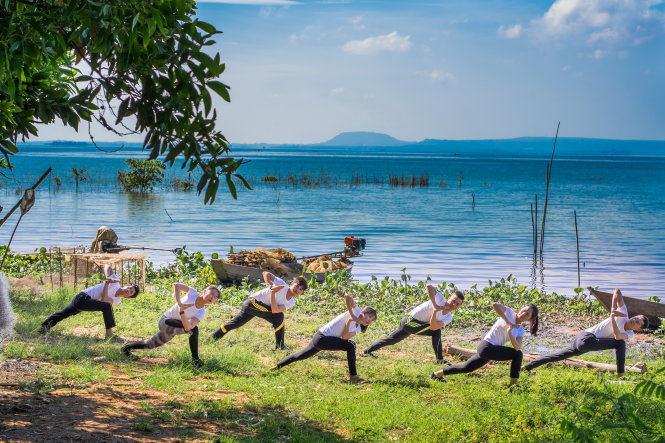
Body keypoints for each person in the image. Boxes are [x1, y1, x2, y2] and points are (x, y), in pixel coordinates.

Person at [523, 288, 648, 377]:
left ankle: (525, 367)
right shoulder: (624, 313)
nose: (634, 320)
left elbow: (617, 336)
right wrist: (613, 308)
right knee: (620, 345)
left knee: (555, 356)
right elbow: (617, 291)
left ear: (639, 330)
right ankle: (621, 376)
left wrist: (613, 318)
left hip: (587, 344)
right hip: (585, 338)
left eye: (637, 322)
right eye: (635, 317)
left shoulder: (630, 334)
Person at [271, 293, 377, 382]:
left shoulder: (359, 328)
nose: (369, 321)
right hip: (321, 337)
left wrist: (349, 321)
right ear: (364, 313)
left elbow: (345, 337)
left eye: (372, 321)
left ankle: (277, 366)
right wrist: (352, 315)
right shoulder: (356, 311)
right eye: (370, 317)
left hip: (323, 339)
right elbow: (347, 296)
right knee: (350, 346)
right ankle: (353, 376)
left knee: (301, 356)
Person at [431, 302, 539, 387]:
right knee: (518, 355)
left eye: (527, 314)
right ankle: (513, 385)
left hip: (492, 350)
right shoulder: (509, 312)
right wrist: (508, 321)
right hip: (486, 346)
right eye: (524, 310)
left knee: (466, 368)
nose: (523, 314)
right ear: (521, 308)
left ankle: (436, 374)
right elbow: (495, 305)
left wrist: (510, 332)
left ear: (529, 319)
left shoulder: (520, 329)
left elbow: (517, 346)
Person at [122, 283, 220, 367]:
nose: (212, 297)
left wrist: (182, 312)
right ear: (204, 292)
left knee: (150, 344)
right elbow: (176, 285)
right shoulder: (193, 293)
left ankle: (126, 348)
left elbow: (188, 327)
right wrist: (179, 303)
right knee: (194, 330)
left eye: (215, 297)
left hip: (174, 329)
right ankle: (195, 361)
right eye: (211, 293)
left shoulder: (201, 312)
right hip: (165, 322)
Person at [362, 284, 464, 362]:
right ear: (449, 298)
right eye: (453, 301)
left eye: (457, 304)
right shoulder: (440, 299)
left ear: (459, 307)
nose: (453, 304)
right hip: (409, 321)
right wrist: (435, 305)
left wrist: (435, 311)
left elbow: (433, 327)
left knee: (391, 340)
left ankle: (365, 352)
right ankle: (440, 360)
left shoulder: (448, 317)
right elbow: (428, 286)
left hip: (415, 325)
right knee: (436, 332)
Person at [207, 272, 307, 349]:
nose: (297, 289)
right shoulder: (282, 284)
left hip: (256, 307)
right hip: (252, 303)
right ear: (291, 284)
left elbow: (275, 310)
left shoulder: (291, 302)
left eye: (300, 289)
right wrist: (270, 284)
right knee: (279, 317)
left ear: (301, 293)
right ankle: (280, 347)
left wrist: (272, 293)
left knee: (235, 323)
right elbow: (266, 273)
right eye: (297, 286)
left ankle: (211, 339)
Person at [40, 264, 139, 339]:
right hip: (81, 297)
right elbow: (107, 266)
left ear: (129, 297)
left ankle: (43, 328)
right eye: (129, 287)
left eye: (131, 292)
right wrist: (108, 278)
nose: (128, 290)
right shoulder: (115, 282)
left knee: (106, 306)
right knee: (63, 314)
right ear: (126, 285)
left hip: (86, 301)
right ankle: (43, 328)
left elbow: (104, 300)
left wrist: (107, 284)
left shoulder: (117, 300)